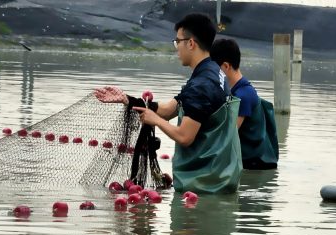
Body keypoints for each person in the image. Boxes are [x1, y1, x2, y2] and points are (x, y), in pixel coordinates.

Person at [95, 13, 242, 194]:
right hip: (220, 178)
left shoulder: (202, 85)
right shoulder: (212, 72)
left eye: (177, 41)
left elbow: (185, 137)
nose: (176, 48)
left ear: (191, 43)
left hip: (203, 185)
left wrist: (155, 120)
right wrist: (128, 100)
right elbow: (169, 109)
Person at [210, 38, 279, 170]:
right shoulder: (234, 90)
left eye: (213, 69)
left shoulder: (243, 95)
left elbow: (228, 134)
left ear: (225, 66)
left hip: (254, 165)